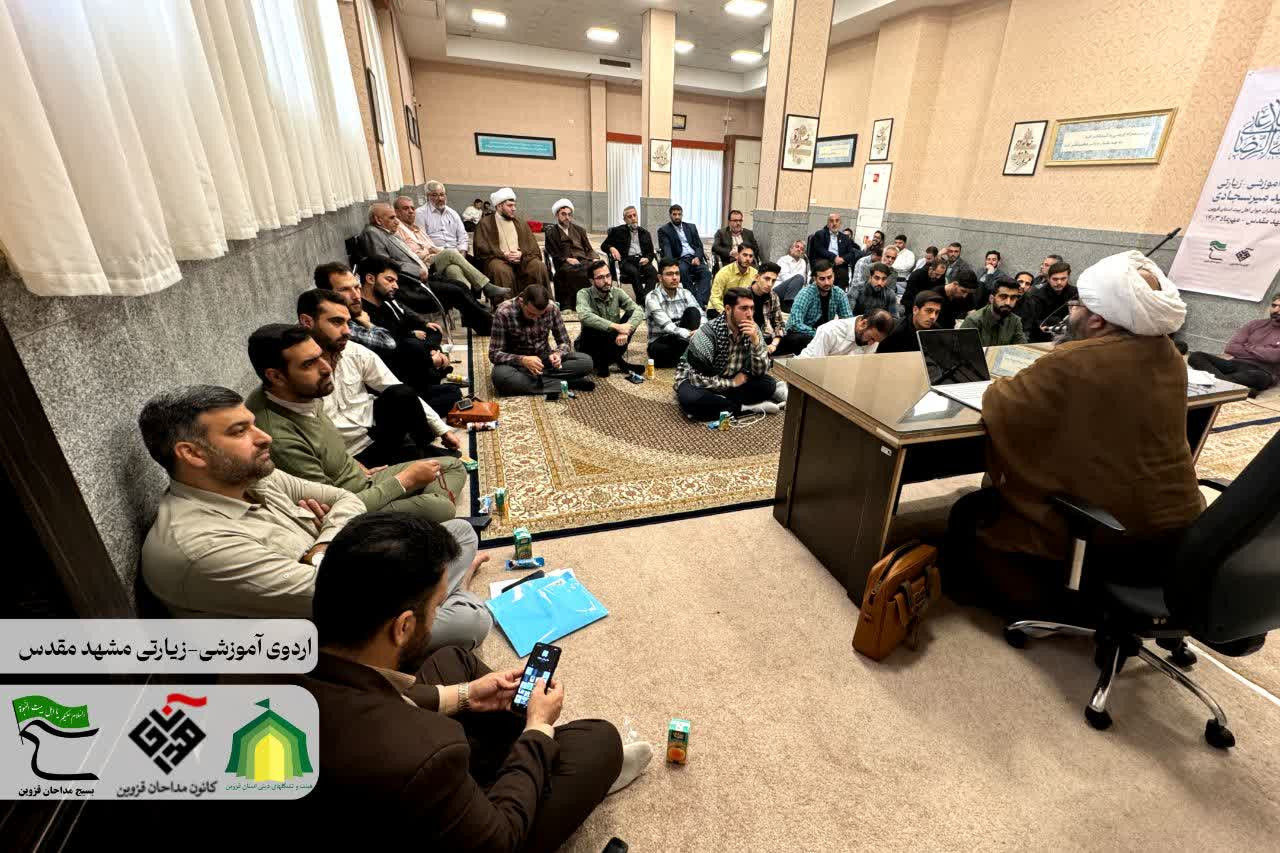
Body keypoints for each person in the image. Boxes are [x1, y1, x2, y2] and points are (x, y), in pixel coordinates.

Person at [299, 511, 651, 850]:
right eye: (437, 606)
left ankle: (527, 759)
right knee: (598, 741)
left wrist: (466, 695)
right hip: (449, 818)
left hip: (369, 780)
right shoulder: (428, 753)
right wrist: (537, 730)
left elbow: (374, 696)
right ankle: (559, 777)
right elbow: (502, 839)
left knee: (454, 659)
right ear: (403, 627)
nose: (438, 614)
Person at [944, 251, 1199, 620]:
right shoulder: (1170, 355)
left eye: (1078, 305)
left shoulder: (1073, 361)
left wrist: (1040, 368)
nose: (1072, 310)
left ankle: (1004, 598)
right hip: (1174, 529)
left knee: (969, 510)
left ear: (1097, 320)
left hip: (1108, 529)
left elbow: (1001, 403)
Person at [138, 385, 365, 619]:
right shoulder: (203, 546)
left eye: (253, 424)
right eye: (240, 431)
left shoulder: (250, 477)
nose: (266, 437)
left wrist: (323, 546)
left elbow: (347, 498)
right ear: (192, 454)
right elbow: (350, 594)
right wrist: (336, 531)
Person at [245, 323, 467, 524]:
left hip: (363, 478)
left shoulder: (298, 392)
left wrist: (356, 467)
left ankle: (415, 516)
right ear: (275, 376)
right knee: (439, 507)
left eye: (321, 356)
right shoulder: (277, 436)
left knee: (452, 466)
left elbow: (328, 447)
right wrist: (403, 482)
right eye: (309, 364)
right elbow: (332, 509)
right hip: (348, 505)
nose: (326, 368)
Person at [296, 290, 462, 463]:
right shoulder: (295, 369)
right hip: (344, 453)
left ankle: (419, 449)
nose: (347, 331)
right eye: (336, 322)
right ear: (307, 322)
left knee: (402, 393)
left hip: (374, 434)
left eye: (347, 322)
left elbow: (396, 387)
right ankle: (412, 454)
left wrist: (443, 431)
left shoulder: (353, 350)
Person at [358, 202, 495, 333]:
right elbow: (383, 265)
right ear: (378, 219)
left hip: (419, 279)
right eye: (392, 217)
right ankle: (487, 325)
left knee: (459, 284)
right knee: (455, 291)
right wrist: (415, 270)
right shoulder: (372, 233)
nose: (397, 221)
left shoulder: (386, 233)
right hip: (408, 286)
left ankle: (480, 320)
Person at [355, 256, 461, 417]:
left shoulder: (385, 303)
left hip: (412, 364)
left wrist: (431, 351)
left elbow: (405, 329)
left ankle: (434, 362)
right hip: (396, 378)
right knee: (449, 392)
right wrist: (429, 360)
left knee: (450, 388)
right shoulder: (362, 314)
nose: (395, 286)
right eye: (389, 280)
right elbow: (393, 351)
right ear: (370, 279)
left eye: (396, 281)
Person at [675, 286, 785, 420]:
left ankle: (720, 405)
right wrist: (732, 383)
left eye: (752, 308)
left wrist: (756, 343)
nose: (749, 314)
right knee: (691, 400)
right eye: (744, 308)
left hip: (732, 377)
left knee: (768, 384)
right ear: (728, 309)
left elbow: (760, 372)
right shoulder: (707, 333)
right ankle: (745, 408)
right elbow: (696, 378)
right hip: (699, 379)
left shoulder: (753, 328)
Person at [394, 196, 502, 308]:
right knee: (450, 253)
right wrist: (430, 250)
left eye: (412, 208)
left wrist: (460, 251)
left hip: (442, 257)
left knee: (454, 270)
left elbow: (461, 236)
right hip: (424, 266)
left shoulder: (418, 228)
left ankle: (471, 306)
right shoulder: (398, 229)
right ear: (397, 212)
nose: (411, 211)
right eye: (406, 208)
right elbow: (410, 253)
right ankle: (485, 285)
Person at [489, 285, 595, 396]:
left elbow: (564, 341)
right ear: (521, 302)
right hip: (517, 365)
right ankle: (566, 383)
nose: (535, 318)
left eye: (540, 315)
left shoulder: (552, 308)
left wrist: (557, 354)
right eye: (531, 313)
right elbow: (494, 354)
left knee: (586, 362)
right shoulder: (504, 312)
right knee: (500, 377)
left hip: (544, 360)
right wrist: (522, 360)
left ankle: (537, 382)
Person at [1187, 294, 1280, 397]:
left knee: (1257, 376)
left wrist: (1248, 346)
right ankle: (1239, 389)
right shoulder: (1255, 324)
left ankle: (1217, 382)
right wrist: (1264, 350)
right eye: (1274, 306)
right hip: (1234, 364)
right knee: (1196, 356)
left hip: (1263, 371)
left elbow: (1274, 357)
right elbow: (1231, 348)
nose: (1276, 310)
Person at [473, 188, 552, 300]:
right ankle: (505, 305)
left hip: (522, 260)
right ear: (499, 206)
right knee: (500, 270)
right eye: (510, 206)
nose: (514, 208)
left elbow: (532, 247)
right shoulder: (485, 223)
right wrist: (503, 254)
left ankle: (541, 302)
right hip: (498, 259)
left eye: (514, 205)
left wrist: (521, 253)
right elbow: (481, 248)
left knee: (538, 266)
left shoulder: (521, 223)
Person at [575, 260, 643, 377]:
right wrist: (616, 326)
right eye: (600, 277)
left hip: (613, 343)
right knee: (591, 324)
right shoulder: (583, 293)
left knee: (631, 315)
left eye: (608, 276)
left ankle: (610, 360)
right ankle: (617, 361)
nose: (606, 281)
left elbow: (638, 310)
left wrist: (626, 330)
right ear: (592, 281)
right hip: (590, 346)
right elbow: (584, 316)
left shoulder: (617, 292)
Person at [314, 262, 397, 358]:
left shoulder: (354, 314)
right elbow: (388, 343)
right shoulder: (335, 322)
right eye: (344, 289)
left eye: (357, 287)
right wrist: (368, 324)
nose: (356, 296)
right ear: (327, 293)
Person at [778, 261, 854, 356]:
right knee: (802, 340)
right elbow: (794, 324)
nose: (827, 282)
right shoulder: (805, 294)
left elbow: (848, 321)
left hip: (824, 337)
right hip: (803, 335)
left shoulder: (839, 294)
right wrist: (819, 333)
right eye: (822, 279)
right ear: (815, 279)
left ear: (834, 276)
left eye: (829, 277)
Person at [645, 257, 704, 368]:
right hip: (663, 340)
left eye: (677, 273)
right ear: (660, 277)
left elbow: (701, 314)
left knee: (693, 311)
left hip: (685, 338)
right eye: (669, 274)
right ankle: (691, 354)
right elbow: (667, 326)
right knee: (658, 350)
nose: (675, 278)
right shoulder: (652, 297)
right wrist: (689, 335)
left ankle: (688, 354)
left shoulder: (685, 293)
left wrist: (700, 331)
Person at [543, 198, 599, 311]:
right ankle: (574, 304)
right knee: (574, 272)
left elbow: (589, 248)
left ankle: (596, 302)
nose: (567, 217)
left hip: (583, 261)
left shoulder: (580, 230)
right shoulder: (551, 233)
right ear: (557, 215)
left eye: (569, 214)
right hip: (564, 264)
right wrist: (566, 259)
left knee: (598, 268)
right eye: (563, 214)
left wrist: (594, 259)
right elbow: (552, 253)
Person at [600, 205, 658, 303]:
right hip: (625, 260)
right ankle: (641, 300)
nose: (633, 218)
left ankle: (646, 298)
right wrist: (612, 248)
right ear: (625, 220)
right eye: (629, 216)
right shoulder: (617, 231)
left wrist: (647, 259)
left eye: (634, 215)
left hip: (641, 260)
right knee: (634, 272)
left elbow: (650, 252)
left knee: (652, 272)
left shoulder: (645, 233)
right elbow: (604, 245)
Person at [657, 204, 711, 307]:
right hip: (679, 260)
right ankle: (697, 302)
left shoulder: (691, 227)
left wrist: (697, 257)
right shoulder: (664, 230)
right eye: (674, 214)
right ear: (670, 215)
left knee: (706, 273)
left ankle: (698, 301)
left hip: (694, 258)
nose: (677, 217)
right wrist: (673, 264)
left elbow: (699, 245)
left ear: (682, 215)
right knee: (682, 271)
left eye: (679, 214)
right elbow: (667, 249)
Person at [798, 309, 894, 358]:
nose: (871, 344)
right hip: (804, 371)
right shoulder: (830, 331)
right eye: (871, 338)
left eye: (876, 341)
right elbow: (816, 367)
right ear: (863, 324)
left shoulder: (874, 337)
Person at [960, 279, 1028, 346]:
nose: (1008, 303)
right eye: (1003, 297)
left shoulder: (1015, 321)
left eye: (1013, 298)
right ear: (991, 298)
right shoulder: (974, 320)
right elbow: (963, 349)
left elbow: (1022, 348)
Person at [417, 182, 477, 257]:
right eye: (435, 195)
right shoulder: (420, 213)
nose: (440, 198)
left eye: (442, 195)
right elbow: (422, 240)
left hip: (456, 253)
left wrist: (462, 253)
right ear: (427, 196)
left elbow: (463, 236)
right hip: (436, 255)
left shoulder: (453, 213)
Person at [1023, 261, 1077, 342]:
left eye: (1063, 279)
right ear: (1048, 278)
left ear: (1068, 277)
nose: (1059, 282)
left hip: (1068, 336)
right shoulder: (1037, 295)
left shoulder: (1075, 293)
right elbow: (1033, 320)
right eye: (1055, 279)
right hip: (1042, 337)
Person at [876, 290, 943, 354]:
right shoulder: (895, 333)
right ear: (915, 310)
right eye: (929, 311)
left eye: (937, 312)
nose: (933, 316)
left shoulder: (937, 331)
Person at [807, 213, 858, 289]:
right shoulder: (820, 234)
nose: (834, 223)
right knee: (824, 270)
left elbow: (851, 253)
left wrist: (842, 259)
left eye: (837, 221)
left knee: (842, 274)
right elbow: (820, 249)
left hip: (839, 264)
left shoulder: (845, 238)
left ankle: (839, 294)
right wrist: (834, 257)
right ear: (828, 224)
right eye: (831, 221)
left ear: (840, 223)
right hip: (824, 261)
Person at [747, 261, 787, 356]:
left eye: (773, 281)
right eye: (767, 279)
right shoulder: (744, 295)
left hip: (767, 338)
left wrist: (774, 344)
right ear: (757, 277)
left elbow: (779, 324)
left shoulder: (773, 296)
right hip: (747, 339)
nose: (770, 284)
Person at [708, 244, 757, 316]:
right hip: (719, 307)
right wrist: (726, 313)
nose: (748, 259)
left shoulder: (755, 274)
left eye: (750, 256)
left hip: (741, 309)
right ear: (737, 255)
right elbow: (715, 297)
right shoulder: (724, 272)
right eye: (745, 255)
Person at [775, 238, 811, 309]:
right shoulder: (783, 260)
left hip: (796, 290)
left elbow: (804, 280)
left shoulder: (803, 262)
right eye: (797, 247)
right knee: (799, 278)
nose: (799, 249)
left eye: (802, 249)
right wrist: (798, 279)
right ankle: (789, 305)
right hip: (779, 289)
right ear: (791, 249)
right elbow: (785, 278)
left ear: (803, 253)